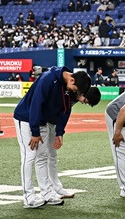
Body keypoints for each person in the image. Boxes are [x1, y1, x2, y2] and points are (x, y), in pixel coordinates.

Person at [13, 67, 91, 208]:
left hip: (42, 121)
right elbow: (36, 104)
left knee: (42, 156)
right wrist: (35, 132)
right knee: (29, 155)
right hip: (26, 118)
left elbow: (65, 110)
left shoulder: (68, 85)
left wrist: (59, 132)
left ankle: (47, 193)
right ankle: (28, 197)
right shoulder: (48, 79)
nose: (75, 93)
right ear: (72, 79)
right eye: (75, 89)